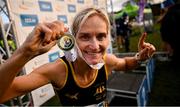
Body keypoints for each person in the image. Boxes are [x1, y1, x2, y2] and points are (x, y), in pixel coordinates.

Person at [0, 7, 155, 106]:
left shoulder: (106, 60)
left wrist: (139, 58)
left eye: (101, 36)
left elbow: (126, 64)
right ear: (72, 40)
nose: (95, 46)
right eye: (85, 37)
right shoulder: (58, 70)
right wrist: (25, 52)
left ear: (108, 38)